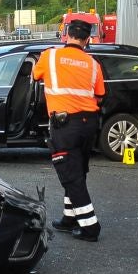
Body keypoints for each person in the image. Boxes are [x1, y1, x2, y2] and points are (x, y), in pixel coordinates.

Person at [32, 18, 105, 242]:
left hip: (65, 126)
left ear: (66, 35)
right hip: (89, 124)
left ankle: (90, 227)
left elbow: (35, 75)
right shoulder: (93, 64)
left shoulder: (50, 56)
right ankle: (69, 217)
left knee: (71, 176)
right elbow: (100, 95)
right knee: (78, 171)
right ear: (87, 40)